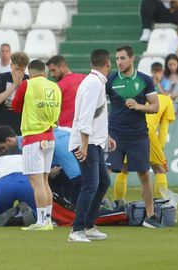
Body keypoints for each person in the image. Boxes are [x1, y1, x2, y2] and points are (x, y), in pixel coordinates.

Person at [106, 45, 161, 228]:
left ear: (132, 59)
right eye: (117, 59)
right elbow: (98, 104)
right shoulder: (111, 79)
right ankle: (95, 213)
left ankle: (150, 216)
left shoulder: (145, 80)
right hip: (114, 135)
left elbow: (155, 106)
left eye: (122, 58)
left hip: (138, 135)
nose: (119, 62)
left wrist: (139, 106)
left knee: (144, 174)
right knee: (104, 174)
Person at [67, 49, 114, 242]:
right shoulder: (94, 84)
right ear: (107, 63)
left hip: (94, 141)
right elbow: (85, 117)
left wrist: (107, 136)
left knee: (103, 182)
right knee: (91, 184)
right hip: (87, 142)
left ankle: (88, 225)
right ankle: (77, 230)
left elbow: (96, 115)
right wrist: (84, 145)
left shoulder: (94, 82)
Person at [11, 59, 62, 231]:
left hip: (33, 137)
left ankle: (41, 221)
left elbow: (16, 106)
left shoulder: (28, 84)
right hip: (49, 136)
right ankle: (47, 220)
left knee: (36, 182)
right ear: (44, 72)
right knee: (45, 180)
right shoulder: (55, 87)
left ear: (30, 73)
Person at [113, 94, 175, 202]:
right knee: (159, 169)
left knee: (124, 168)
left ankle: (118, 205)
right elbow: (163, 130)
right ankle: (162, 206)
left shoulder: (135, 96)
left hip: (127, 128)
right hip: (146, 129)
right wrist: (160, 154)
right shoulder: (167, 100)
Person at [0, 147, 36, 227]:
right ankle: (29, 214)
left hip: (4, 183)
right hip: (25, 181)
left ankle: (10, 215)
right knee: (34, 213)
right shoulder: (28, 159)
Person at [0, 52, 30, 135]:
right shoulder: (2, 77)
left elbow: (31, 104)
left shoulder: (28, 80)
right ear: (11, 65)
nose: (19, 72)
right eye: (16, 69)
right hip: (2, 126)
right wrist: (14, 85)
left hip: (21, 128)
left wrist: (18, 105)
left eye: (22, 70)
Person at [46, 55, 87, 128]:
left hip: (65, 130)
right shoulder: (84, 78)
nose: (52, 75)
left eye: (53, 70)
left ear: (62, 66)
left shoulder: (57, 87)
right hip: (83, 128)